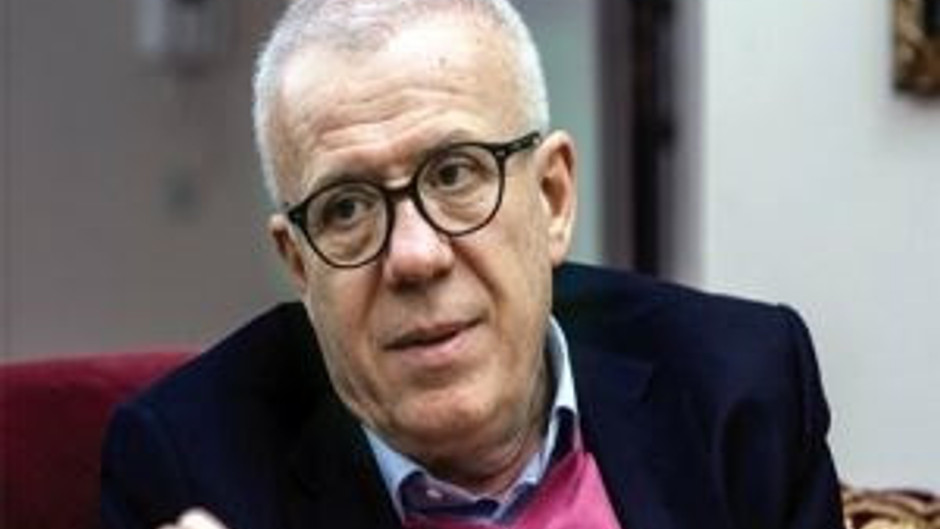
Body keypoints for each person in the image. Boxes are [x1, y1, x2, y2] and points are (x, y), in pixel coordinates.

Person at [100, 1, 844, 528]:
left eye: (455, 174)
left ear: (552, 199)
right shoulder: (189, 466)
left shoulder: (739, 388)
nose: (415, 257)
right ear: (300, 264)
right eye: (347, 208)